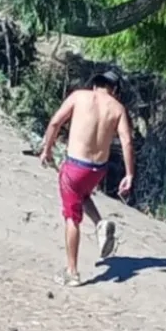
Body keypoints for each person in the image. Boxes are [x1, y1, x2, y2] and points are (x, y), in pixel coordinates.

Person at [39, 70, 135, 287]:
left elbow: (55, 122)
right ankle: (100, 224)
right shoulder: (117, 108)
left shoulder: (79, 96)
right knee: (82, 193)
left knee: (72, 217)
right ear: (114, 90)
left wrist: (47, 149)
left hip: (75, 166)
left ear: (95, 85)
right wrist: (129, 174)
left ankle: (72, 271)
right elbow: (127, 141)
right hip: (98, 169)